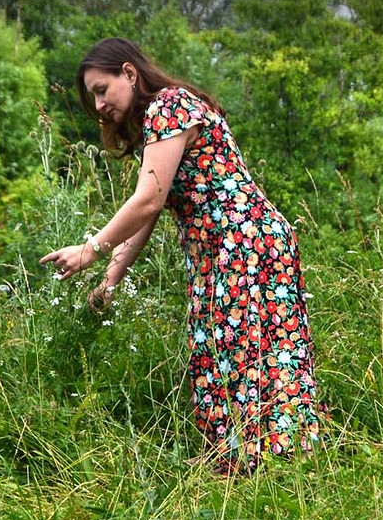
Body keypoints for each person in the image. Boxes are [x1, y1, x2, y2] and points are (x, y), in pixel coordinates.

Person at [41, 38, 320, 475]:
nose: (97, 105)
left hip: (247, 243)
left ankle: (284, 463)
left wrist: (90, 249)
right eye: (92, 96)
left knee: (260, 348)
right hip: (219, 253)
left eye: (101, 89)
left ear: (129, 74)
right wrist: (110, 281)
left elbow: (147, 200)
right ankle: (236, 459)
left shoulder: (169, 106)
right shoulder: (157, 125)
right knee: (218, 348)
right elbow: (146, 217)